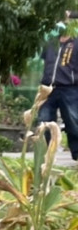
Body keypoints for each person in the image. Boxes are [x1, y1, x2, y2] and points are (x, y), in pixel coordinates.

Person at [38, 12, 78, 159]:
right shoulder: (51, 42)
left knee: (73, 122)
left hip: (70, 88)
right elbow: (45, 61)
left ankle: (77, 154)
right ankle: (45, 155)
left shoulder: (76, 43)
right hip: (48, 88)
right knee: (44, 121)